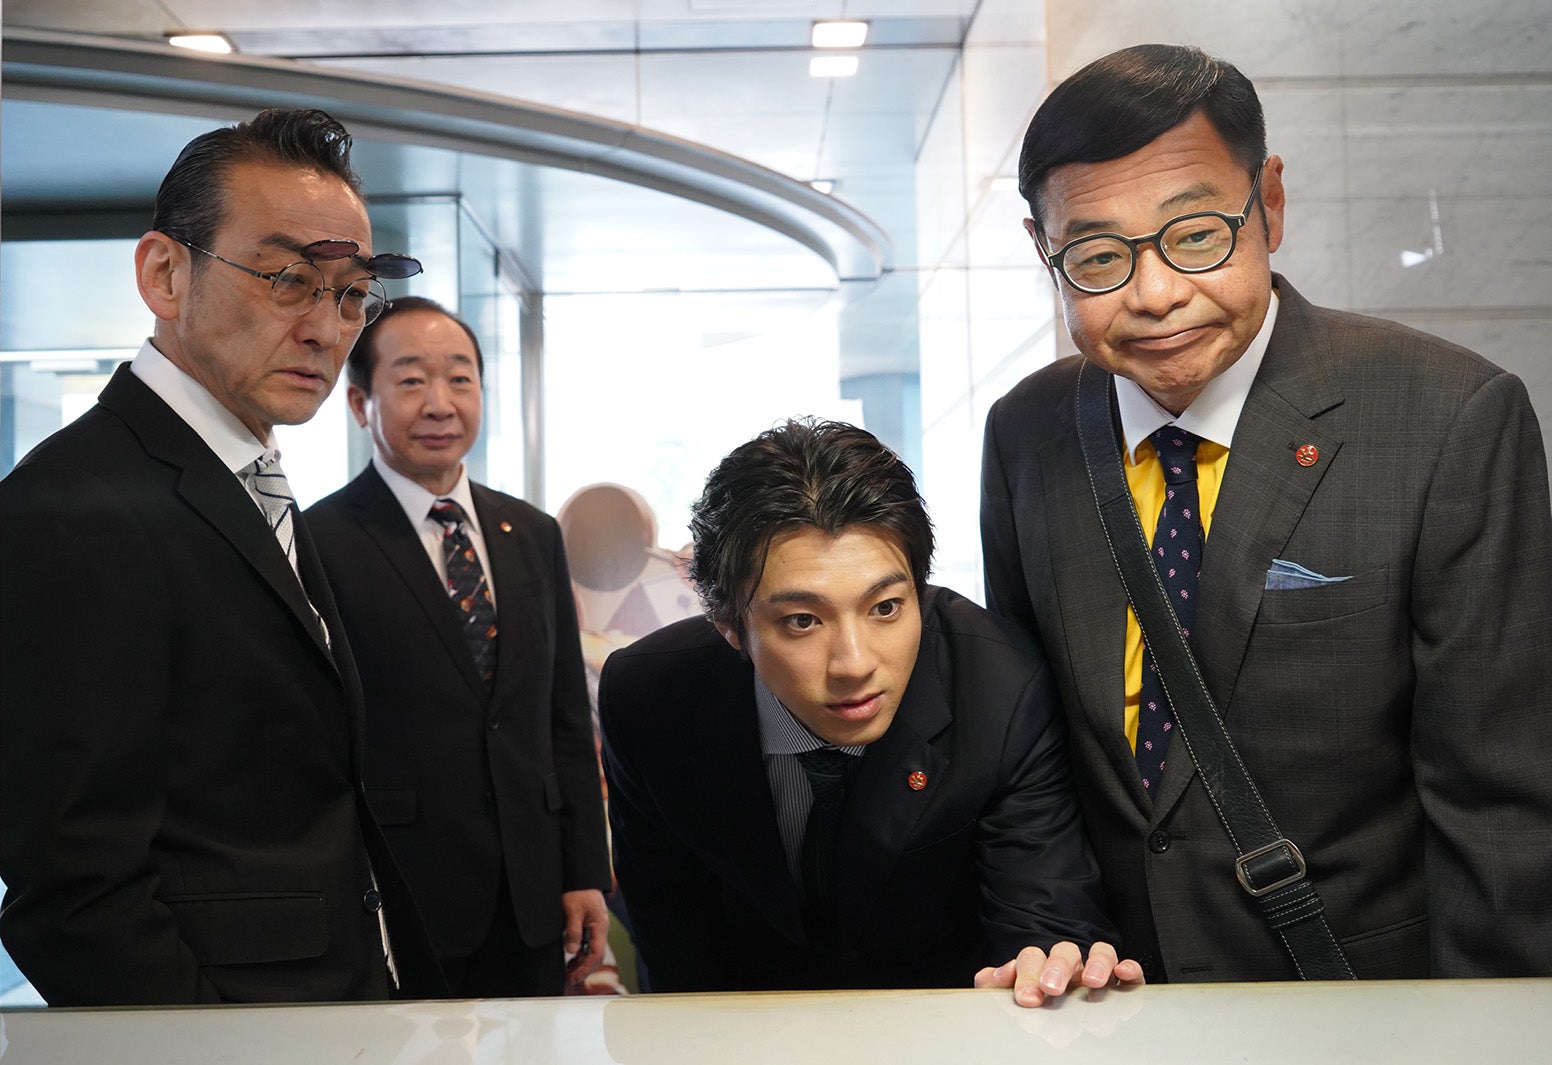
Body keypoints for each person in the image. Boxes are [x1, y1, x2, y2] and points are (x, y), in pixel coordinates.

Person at [980, 43, 1552, 983]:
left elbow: (1500, 804)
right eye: (1098, 256)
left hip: (1361, 1007)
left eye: (1196, 234)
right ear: (1044, 250)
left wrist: (1486, 1030)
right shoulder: (1026, 432)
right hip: (1113, 1007)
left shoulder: (1447, 415)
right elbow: (1028, 751)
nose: (1156, 293)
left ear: (1270, 204)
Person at [0, 109, 447, 1005]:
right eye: (288, 279)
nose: (326, 328)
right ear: (165, 274)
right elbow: (78, 895)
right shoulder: (74, 503)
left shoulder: (247, 474)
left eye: (351, 293)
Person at [600, 419, 1141, 1006]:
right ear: (730, 625)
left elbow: (1044, 913)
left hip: (943, 1022)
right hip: (741, 1022)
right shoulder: (649, 698)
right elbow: (672, 936)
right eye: (802, 621)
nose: (855, 664)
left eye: (885, 607)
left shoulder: (1000, 683)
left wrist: (1048, 962)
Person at [304, 297, 612, 997]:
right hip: (401, 891)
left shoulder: (532, 532)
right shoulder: (321, 543)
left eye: (460, 378)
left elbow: (564, 717)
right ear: (360, 403)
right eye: (411, 380)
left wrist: (583, 869)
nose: (440, 403)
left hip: (532, 890)